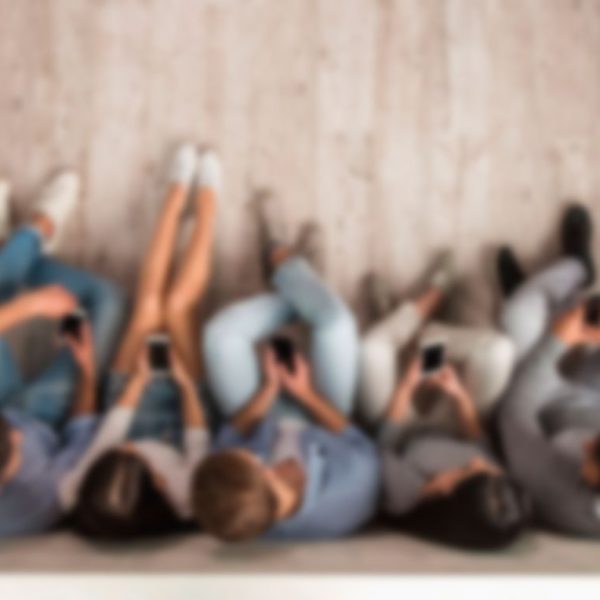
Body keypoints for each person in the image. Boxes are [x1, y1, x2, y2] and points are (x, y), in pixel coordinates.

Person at [192, 196, 380, 542]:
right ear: (264, 475)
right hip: (326, 415)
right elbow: (356, 440)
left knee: (218, 335)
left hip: (265, 411)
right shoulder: (351, 490)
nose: (248, 451)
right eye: (253, 459)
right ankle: (294, 269)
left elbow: (232, 433)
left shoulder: (233, 507)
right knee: (337, 325)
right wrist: (305, 394)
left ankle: (294, 272)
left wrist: (268, 391)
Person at [60, 144, 219, 539]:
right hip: (183, 417)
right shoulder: (186, 500)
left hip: (127, 406)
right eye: (136, 460)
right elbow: (198, 439)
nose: (128, 450)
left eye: (121, 456)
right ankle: (208, 203)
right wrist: (184, 384)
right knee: (177, 305)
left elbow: (112, 434)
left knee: (148, 305)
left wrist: (138, 381)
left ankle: (175, 194)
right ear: (160, 486)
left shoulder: (86, 489)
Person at [360, 258, 528, 549]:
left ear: (443, 489)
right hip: (449, 422)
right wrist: (458, 393)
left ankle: (412, 319)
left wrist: (407, 384)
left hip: (401, 429)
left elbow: (383, 445)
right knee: (500, 350)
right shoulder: (493, 488)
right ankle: (423, 335)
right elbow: (477, 440)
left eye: (468, 470)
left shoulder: (405, 497)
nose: (477, 461)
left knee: (370, 351)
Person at [0, 173, 126, 537]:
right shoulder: (44, 500)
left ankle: (36, 231)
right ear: (15, 439)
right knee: (109, 300)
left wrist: (31, 306)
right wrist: (87, 371)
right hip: (47, 414)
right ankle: (24, 244)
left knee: (10, 297)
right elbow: (80, 433)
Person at [498, 203, 600, 537]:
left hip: (542, 402)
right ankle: (557, 289)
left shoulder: (557, 491)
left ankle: (574, 266)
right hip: (592, 393)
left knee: (517, 315)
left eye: (593, 453)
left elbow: (515, 411)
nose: (587, 445)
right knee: (587, 315)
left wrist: (557, 340)